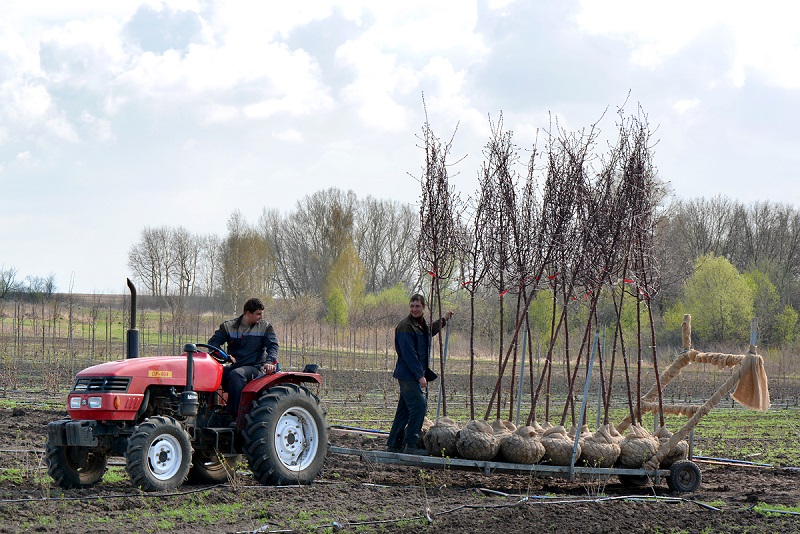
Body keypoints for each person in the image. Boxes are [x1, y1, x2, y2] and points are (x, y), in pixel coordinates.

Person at [386, 293, 453, 455]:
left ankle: (394, 443)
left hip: (411, 374)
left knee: (404, 410)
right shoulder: (405, 326)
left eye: (417, 306)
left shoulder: (421, 324)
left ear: (424, 307)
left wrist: (444, 320)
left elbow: (430, 331)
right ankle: (411, 444)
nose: (414, 309)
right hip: (408, 374)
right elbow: (408, 354)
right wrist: (419, 375)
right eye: (412, 306)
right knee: (419, 404)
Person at [208, 298, 279, 422]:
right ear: (248, 313)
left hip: (256, 368)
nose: (261, 317)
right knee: (212, 373)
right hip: (236, 366)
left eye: (261, 314)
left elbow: (273, 346)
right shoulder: (228, 326)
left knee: (237, 374)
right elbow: (213, 344)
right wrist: (225, 356)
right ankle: (208, 412)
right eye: (258, 314)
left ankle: (235, 416)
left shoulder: (265, 327)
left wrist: (269, 362)